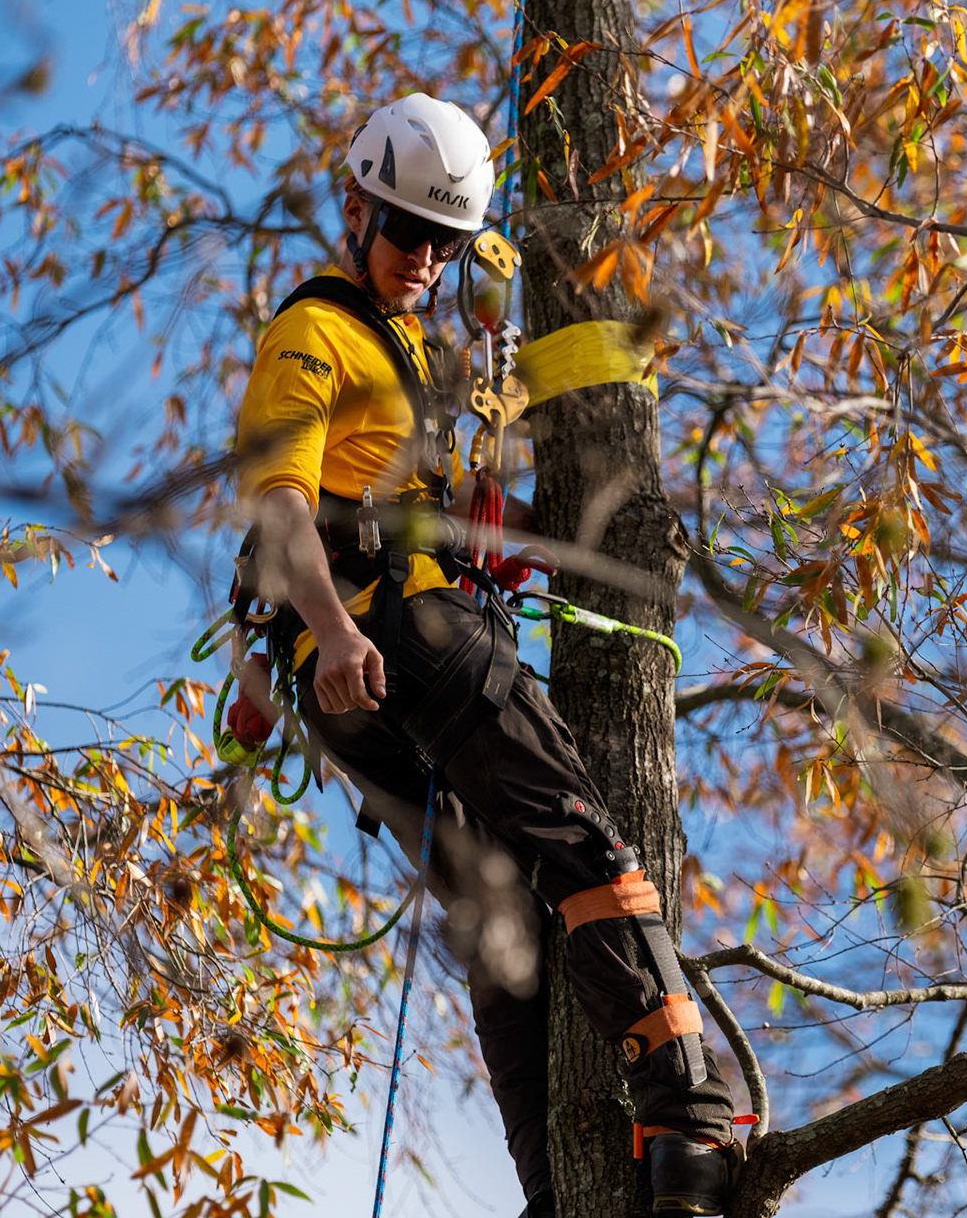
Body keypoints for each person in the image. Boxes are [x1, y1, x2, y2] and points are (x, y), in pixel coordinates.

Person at [232, 93, 738, 1218]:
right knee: (582, 835)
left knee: (500, 916)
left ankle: (556, 1195)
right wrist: (332, 629)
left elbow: (457, 500)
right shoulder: (315, 332)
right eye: (409, 233)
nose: (426, 259)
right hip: (398, 642)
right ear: (354, 209)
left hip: (373, 673)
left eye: (444, 245)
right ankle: (689, 1120)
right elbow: (278, 504)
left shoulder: (414, 350)